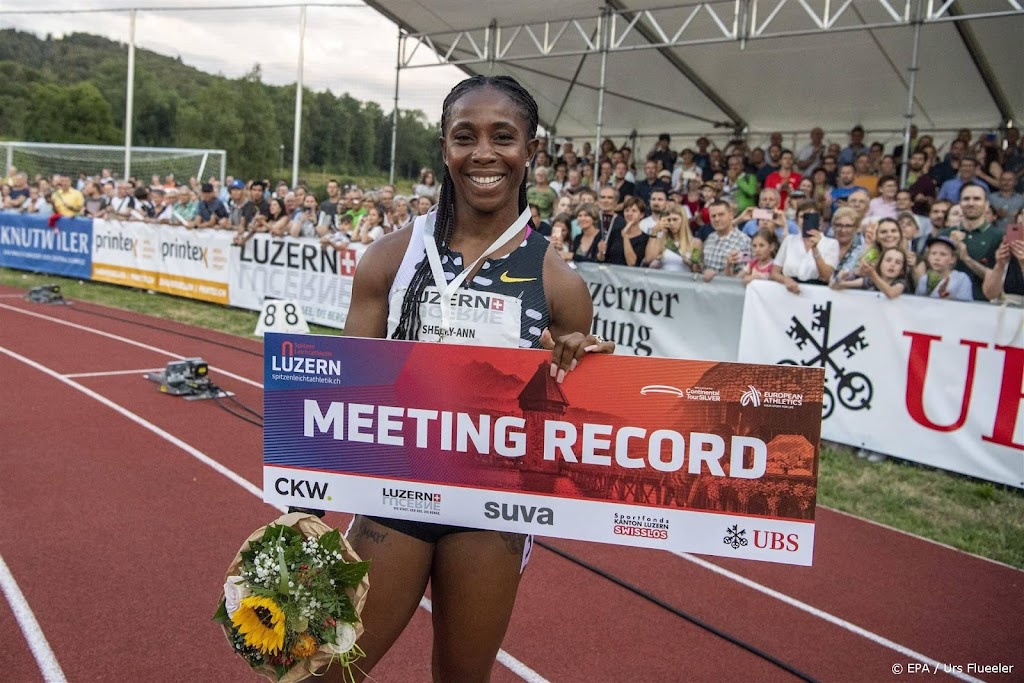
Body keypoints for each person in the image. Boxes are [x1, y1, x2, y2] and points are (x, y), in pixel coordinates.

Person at [329, 75, 613, 683]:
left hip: (493, 507)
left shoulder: (562, 286)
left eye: (503, 137)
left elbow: (557, 428)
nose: (484, 153)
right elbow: (347, 386)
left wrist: (578, 373)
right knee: (329, 671)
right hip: (396, 491)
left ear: (532, 150)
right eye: (466, 137)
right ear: (443, 148)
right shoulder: (388, 259)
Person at [939, 183, 1004, 300]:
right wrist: (949, 250)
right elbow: (934, 273)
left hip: (981, 305)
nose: (971, 203)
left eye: (977, 199)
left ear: (986, 205)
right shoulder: (944, 234)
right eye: (966, 199)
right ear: (960, 203)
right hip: (946, 304)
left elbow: (999, 279)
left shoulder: (998, 236)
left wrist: (967, 259)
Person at [771, 201, 840, 292]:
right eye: (802, 217)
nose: (806, 221)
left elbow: (827, 276)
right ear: (796, 220)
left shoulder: (831, 243)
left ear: (819, 220)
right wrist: (785, 280)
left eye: (811, 217)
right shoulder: (789, 240)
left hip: (817, 291)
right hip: (789, 290)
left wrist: (815, 248)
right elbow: (774, 272)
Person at [832, 246, 910, 299]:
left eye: (898, 262)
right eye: (888, 260)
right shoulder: (870, 280)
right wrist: (840, 278)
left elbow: (891, 293)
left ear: (902, 270)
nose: (892, 265)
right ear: (880, 264)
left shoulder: (901, 283)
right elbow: (837, 285)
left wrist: (872, 274)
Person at [701, 199, 751, 281]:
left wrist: (716, 275)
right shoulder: (709, 238)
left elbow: (744, 274)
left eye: (721, 215)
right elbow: (704, 267)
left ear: (730, 215)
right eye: (713, 216)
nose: (717, 219)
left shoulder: (744, 241)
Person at [982, 208, 1024, 303]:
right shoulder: (1001, 244)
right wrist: (1000, 265)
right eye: (1022, 214)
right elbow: (989, 293)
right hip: (1003, 306)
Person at [914, 235, 973, 301]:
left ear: (953, 259)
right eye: (933, 253)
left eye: (943, 254)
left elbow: (965, 306)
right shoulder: (925, 279)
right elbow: (918, 303)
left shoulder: (961, 279)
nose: (937, 258)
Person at [599, 196, 653, 267]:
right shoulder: (615, 233)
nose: (629, 213)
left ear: (641, 215)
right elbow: (602, 259)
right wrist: (601, 252)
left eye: (634, 211)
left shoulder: (645, 238)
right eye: (627, 210)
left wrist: (626, 237)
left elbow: (632, 263)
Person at [647, 204, 700, 272]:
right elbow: (648, 259)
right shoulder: (662, 240)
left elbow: (696, 270)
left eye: (675, 219)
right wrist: (654, 232)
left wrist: (691, 262)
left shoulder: (695, 242)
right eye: (669, 220)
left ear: (683, 220)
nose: (671, 223)